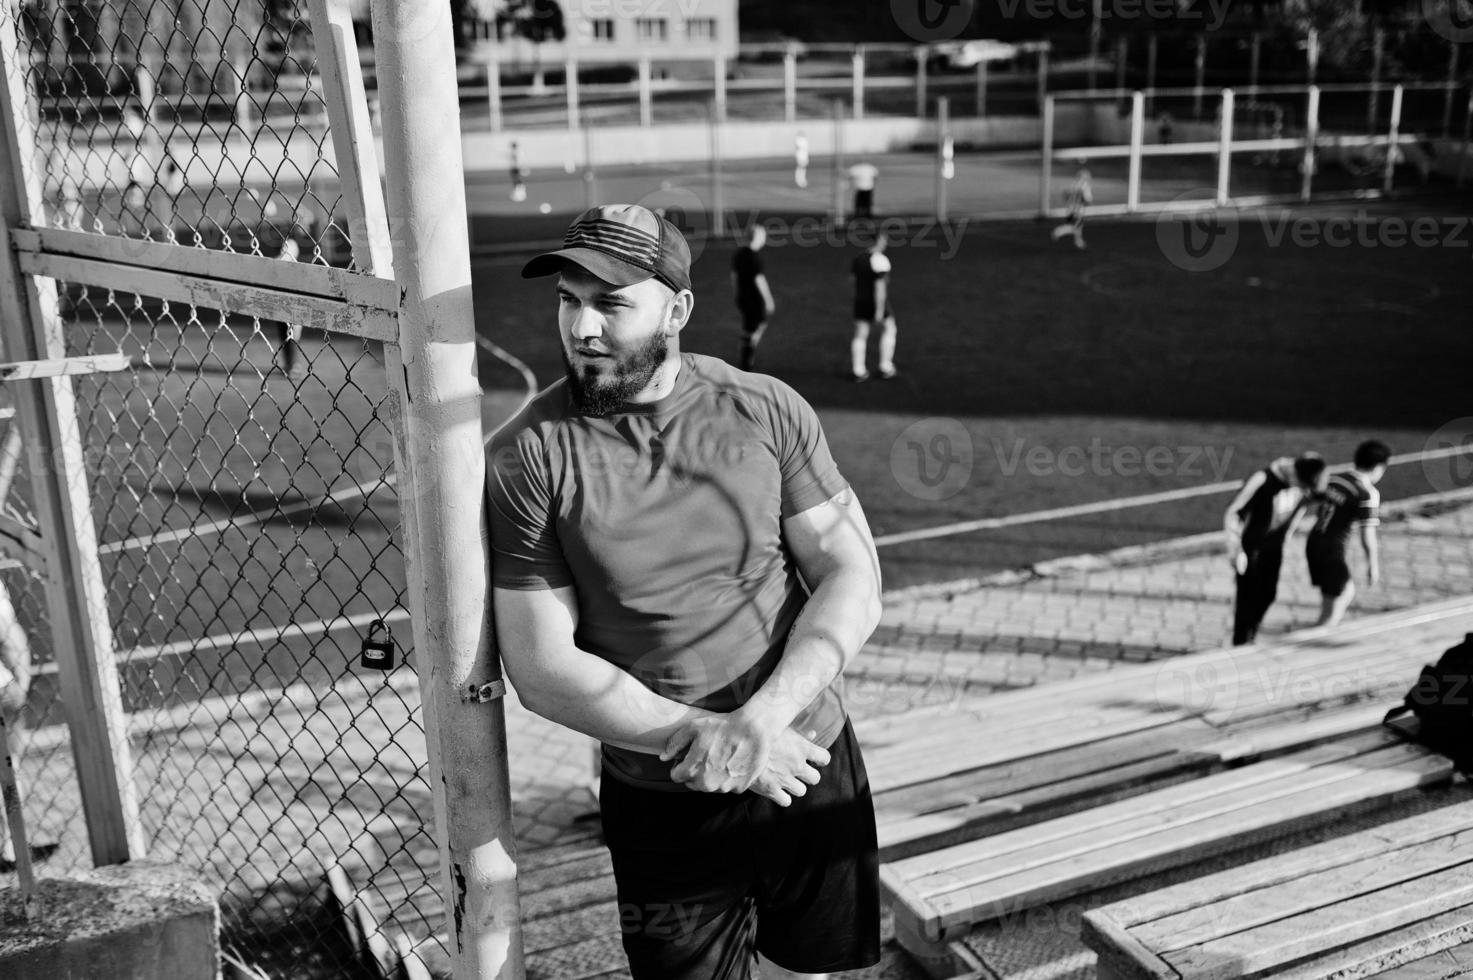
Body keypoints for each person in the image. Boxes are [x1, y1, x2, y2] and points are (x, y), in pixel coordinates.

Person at [488, 203, 883, 980]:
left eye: (611, 301)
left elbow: (851, 575)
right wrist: (714, 743)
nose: (582, 327)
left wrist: (760, 725)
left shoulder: (765, 407)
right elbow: (540, 668)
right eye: (569, 299)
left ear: (677, 309)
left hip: (807, 759)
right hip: (661, 792)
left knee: (815, 974)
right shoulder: (526, 457)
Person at [1223, 453, 1328, 646]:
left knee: (1268, 594)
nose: (1303, 491)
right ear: (1295, 476)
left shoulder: (1303, 480)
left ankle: (1251, 633)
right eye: (1302, 486)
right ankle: (1241, 643)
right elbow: (1234, 513)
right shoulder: (1263, 480)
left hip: (1274, 547)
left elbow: (1309, 500)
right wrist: (1236, 549)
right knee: (1247, 599)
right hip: (1250, 550)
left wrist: (1288, 532)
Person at [1307, 440, 1390, 628]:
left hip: (1314, 542)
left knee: (1338, 594)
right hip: (1331, 551)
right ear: (1379, 467)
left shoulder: (1336, 479)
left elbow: (1309, 500)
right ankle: (1311, 646)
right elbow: (1367, 535)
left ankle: (1319, 632)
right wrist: (1373, 565)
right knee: (1337, 602)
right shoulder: (1366, 493)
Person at [849, 231, 897, 381]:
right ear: (878, 241)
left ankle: (858, 370)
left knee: (860, 334)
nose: (886, 243)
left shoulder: (858, 258)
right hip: (874, 301)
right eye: (884, 240)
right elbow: (880, 287)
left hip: (860, 301)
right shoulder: (880, 260)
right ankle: (885, 367)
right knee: (889, 327)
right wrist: (879, 310)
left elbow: (852, 280)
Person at [731, 224, 775, 371]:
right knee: (759, 324)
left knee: (748, 327)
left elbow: (734, 277)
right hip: (755, 300)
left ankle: (746, 353)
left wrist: (736, 295)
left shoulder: (738, 254)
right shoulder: (755, 258)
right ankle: (747, 359)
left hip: (743, 298)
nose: (764, 239)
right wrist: (768, 300)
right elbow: (759, 280)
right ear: (756, 238)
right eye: (762, 236)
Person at [1050, 162, 1092, 250]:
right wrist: (1085, 202)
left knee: (1078, 226)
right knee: (1075, 227)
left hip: (1070, 209)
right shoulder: (1085, 186)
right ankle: (1058, 232)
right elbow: (1088, 199)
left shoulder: (1073, 185)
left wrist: (1068, 202)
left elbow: (1065, 195)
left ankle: (1078, 242)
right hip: (1078, 210)